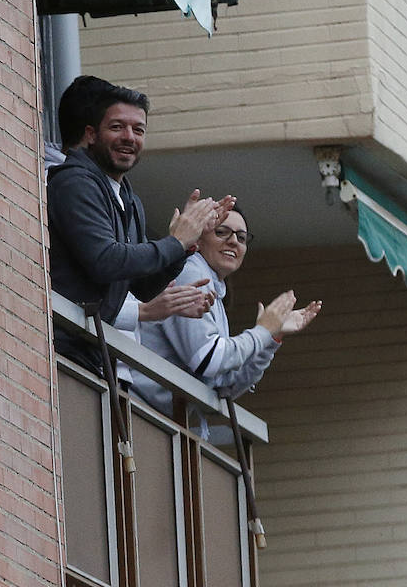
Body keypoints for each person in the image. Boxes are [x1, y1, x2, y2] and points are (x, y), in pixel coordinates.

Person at [47, 80, 229, 374]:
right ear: (91, 134)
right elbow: (105, 262)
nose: (129, 137)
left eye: (138, 130)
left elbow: (142, 287)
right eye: (117, 127)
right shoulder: (74, 182)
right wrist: (175, 243)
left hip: (94, 355)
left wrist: (185, 245)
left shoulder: (130, 199)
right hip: (63, 351)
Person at [135, 206, 320, 415]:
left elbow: (224, 385)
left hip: (156, 417)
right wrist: (262, 332)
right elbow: (208, 359)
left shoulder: (210, 284)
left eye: (241, 237)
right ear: (198, 239)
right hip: (137, 409)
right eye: (221, 232)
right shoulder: (191, 273)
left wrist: (271, 339)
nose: (233, 241)